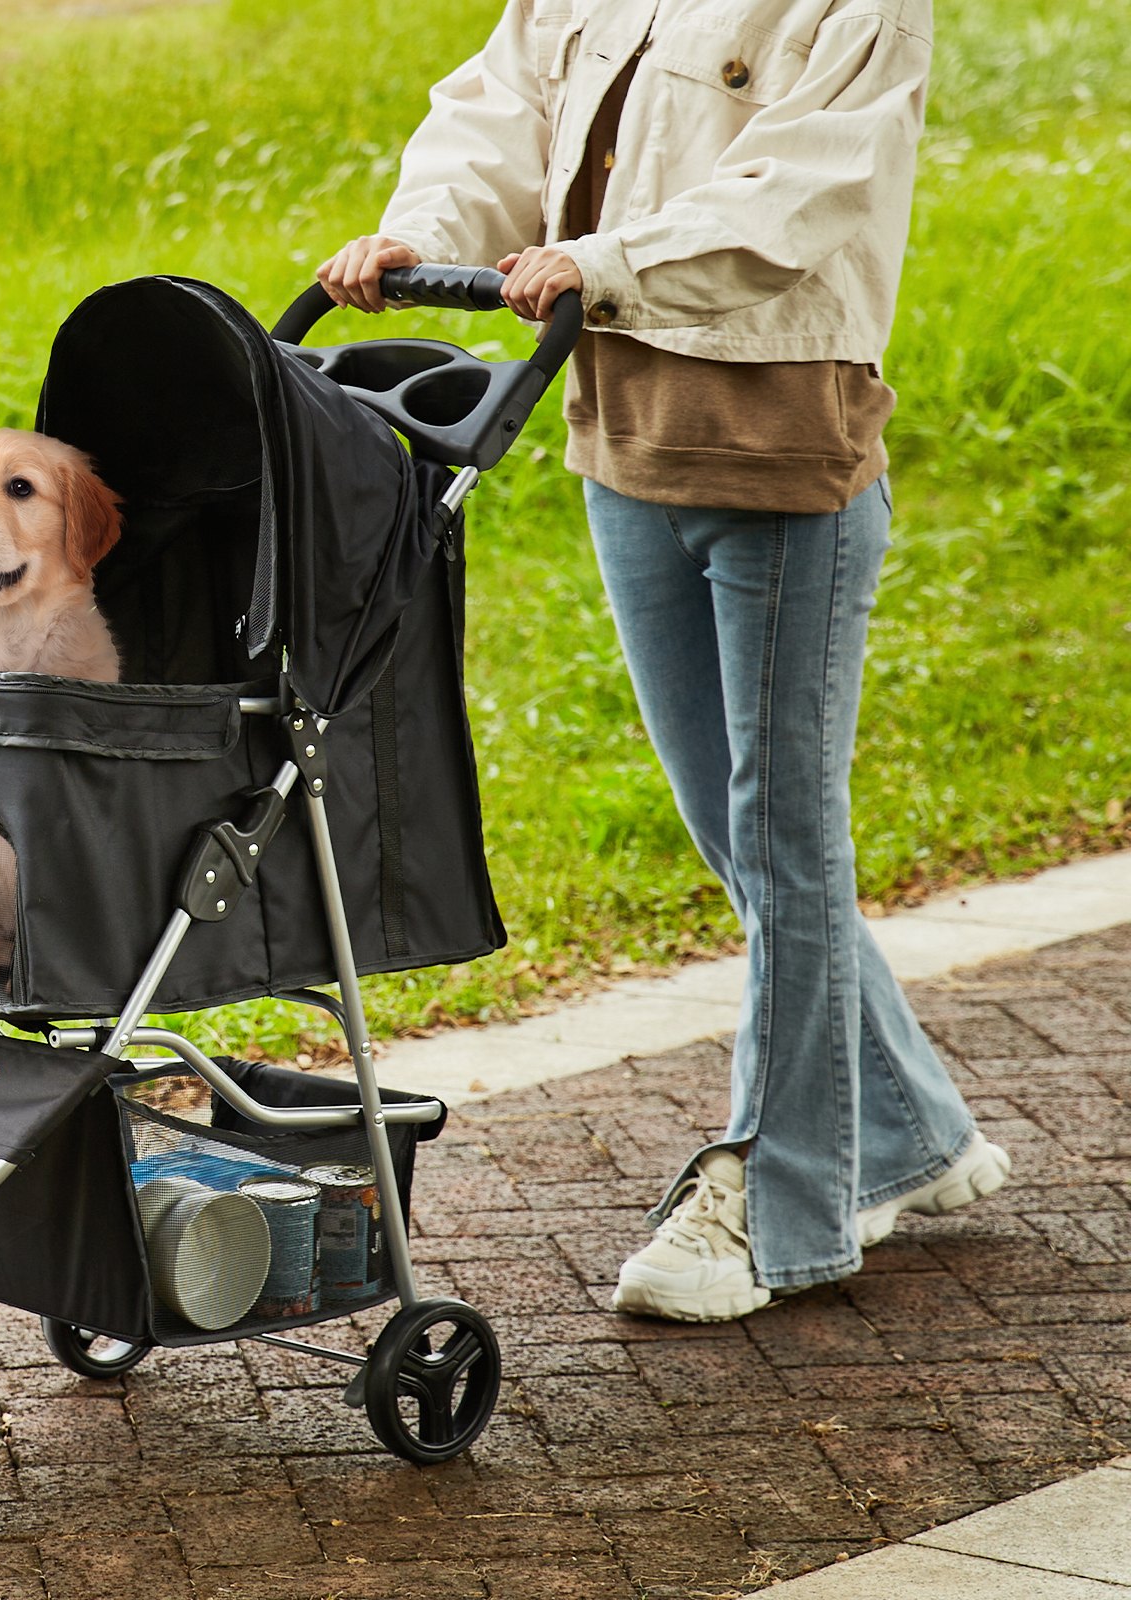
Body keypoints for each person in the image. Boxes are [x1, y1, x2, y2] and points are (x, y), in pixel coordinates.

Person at [318, 0, 1010, 1321]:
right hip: (620, 442)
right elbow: (500, 105)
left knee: (786, 834)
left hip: (780, 454)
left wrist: (606, 259)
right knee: (736, 829)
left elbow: (804, 186)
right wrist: (425, 231)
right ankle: (915, 1131)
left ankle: (784, 1199)